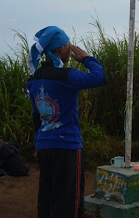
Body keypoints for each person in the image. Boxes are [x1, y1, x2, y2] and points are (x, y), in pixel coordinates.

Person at [26, 26, 107, 218]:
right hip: (67, 146)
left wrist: (37, 142)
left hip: (44, 146)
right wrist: (87, 58)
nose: (71, 51)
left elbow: (36, 115)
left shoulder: (34, 79)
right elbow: (101, 77)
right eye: (69, 46)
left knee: (47, 196)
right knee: (69, 200)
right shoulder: (66, 76)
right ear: (61, 49)